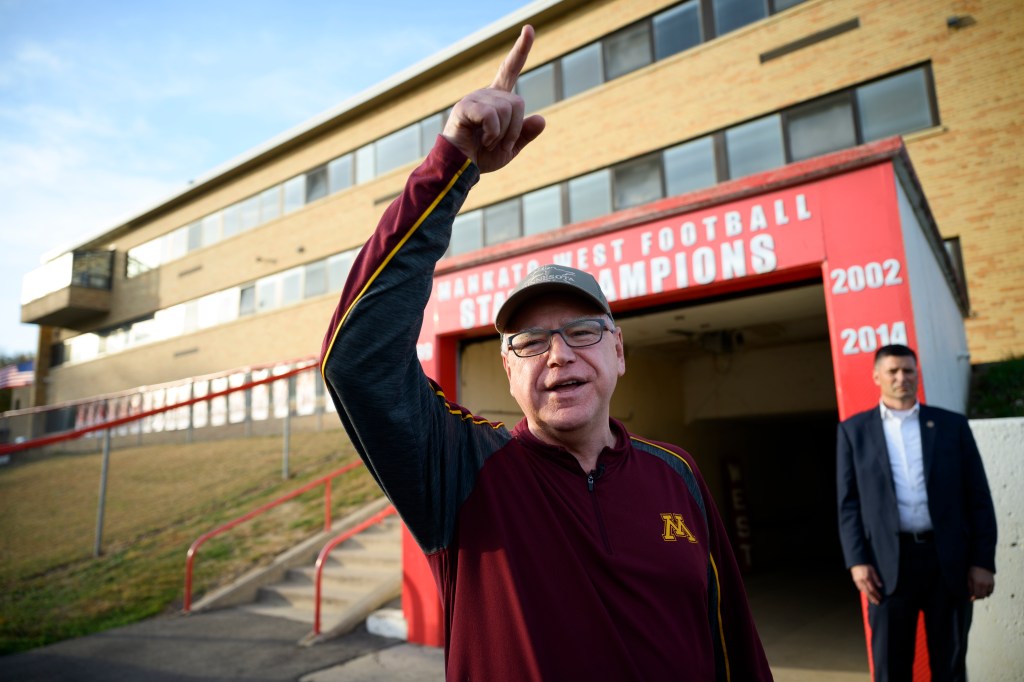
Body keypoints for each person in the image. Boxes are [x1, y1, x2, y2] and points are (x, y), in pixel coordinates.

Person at [320, 25, 772, 681]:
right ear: (508, 371)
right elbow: (358, 361)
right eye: (530, 342)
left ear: (619, 352)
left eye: (582, 332)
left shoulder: (678, 476)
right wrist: (450, 166)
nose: (558, 356)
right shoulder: (462, 473)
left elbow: (733, 644)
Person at [836, 344, 997, 681]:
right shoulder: (853, 432)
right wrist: (857, 562)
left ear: (917, 373)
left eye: (908, 370)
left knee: (950, 667)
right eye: (892, 371)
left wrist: (982, 561)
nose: (901, 378)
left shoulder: (952, 426)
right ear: (876, 376)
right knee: (891, 668)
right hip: (886, 567)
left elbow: (978, 497)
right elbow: (848, 503)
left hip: (948, 563)